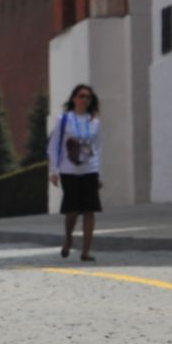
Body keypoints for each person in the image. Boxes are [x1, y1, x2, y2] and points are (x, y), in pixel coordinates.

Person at [49, 83, 103, 261]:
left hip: (90, 169)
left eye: (88, 96)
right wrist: (54, 171)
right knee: (72, 211)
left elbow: (98, 148)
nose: (85, 99)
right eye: (81, 96)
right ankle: (68, 239)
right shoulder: (64, 119)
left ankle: (86, 251)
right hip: (69, 169)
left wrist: (99, 173)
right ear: (74, 99)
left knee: (90, 210)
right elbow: (54, 146)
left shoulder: (94, 121)